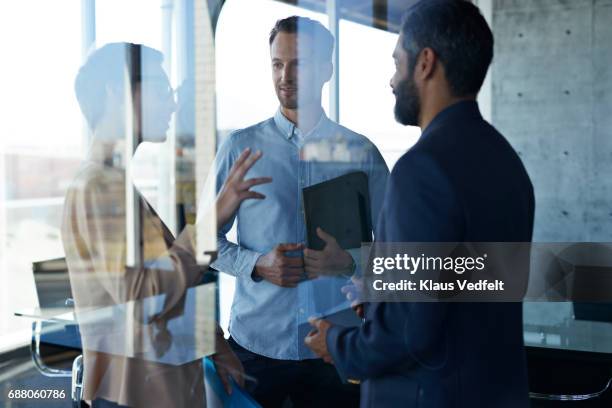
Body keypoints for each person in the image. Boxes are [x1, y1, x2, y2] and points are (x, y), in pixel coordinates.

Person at [305, 1, 535, 407]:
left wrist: (337, 343)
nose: (392, 80)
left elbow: (410, 331)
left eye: (398, 63)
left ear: (425, 63)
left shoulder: (422, 169)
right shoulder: (506, 161)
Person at [62, 42, 269, 408]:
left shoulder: (117, 185)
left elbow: (172, 284)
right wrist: (213, 220)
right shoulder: (97, 186)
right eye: (160, 89)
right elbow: (143, 295)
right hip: (131, 395)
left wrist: (217, 346)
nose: (172, 103)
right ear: (118, 92)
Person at [205, 16, 389, 407]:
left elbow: (398, 254)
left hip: (337, 349)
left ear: (326, 70)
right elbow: (202, 243)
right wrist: (256, 263)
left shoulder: (362, 154)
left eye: (299, 64)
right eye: (277, 63)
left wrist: (352, 262)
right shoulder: (240, 149)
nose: (285, 76)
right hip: (255, 346)